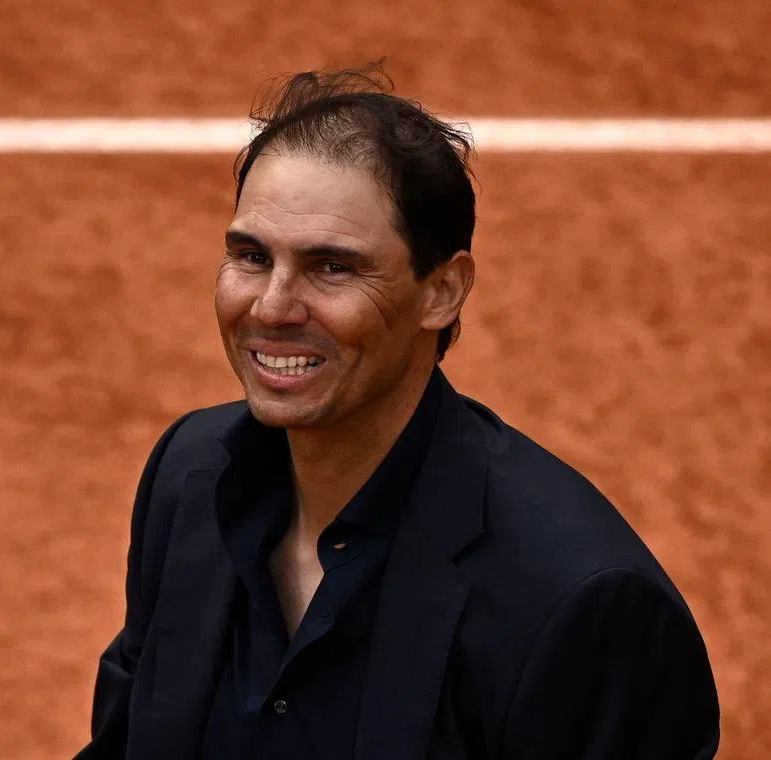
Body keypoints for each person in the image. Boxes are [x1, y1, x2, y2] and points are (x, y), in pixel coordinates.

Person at [75, 68, 720, 759]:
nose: (271, 307)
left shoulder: (581, 605)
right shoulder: (187, 478)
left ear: (442, 292)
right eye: (252, 257)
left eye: (332, 268)